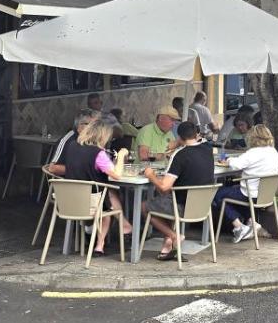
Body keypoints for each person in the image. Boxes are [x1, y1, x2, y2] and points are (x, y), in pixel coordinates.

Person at [59, 117, 133, 257]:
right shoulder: (98, 154)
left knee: (109, 195)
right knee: (108, 206)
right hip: (90, 204)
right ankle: (99, 245)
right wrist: (121, 155)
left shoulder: (72, 146)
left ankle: (91, 227)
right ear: (103, 136)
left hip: (67, 201)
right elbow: (117, 175)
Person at [141, 121, 214, 260]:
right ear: (196, 134)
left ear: (179, 136)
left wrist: (151, 175)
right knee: (165, 198)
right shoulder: (207, 149)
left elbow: (164, 186)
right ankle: (167, 245)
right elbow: (200, 140)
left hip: (182, 207)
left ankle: (174, 236)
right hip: (203, 207)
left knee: (144, 207)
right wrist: (178, 143)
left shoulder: (180, 155)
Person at [214, 124, 278, 243]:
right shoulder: (273, 151)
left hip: (251, 194)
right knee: (233, 192)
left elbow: (236, 164)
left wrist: (228, 160)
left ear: (253, 138)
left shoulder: (253, 153)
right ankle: (252, 223)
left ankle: (239, 227)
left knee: (218, 194)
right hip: (266, 195)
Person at [46, 110, 98, 177]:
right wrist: (82, 171)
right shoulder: (68, 140)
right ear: (79, 125)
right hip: (70, 181)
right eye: (92, 125)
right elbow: (53, 168)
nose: (95, 128)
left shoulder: (94, 140)